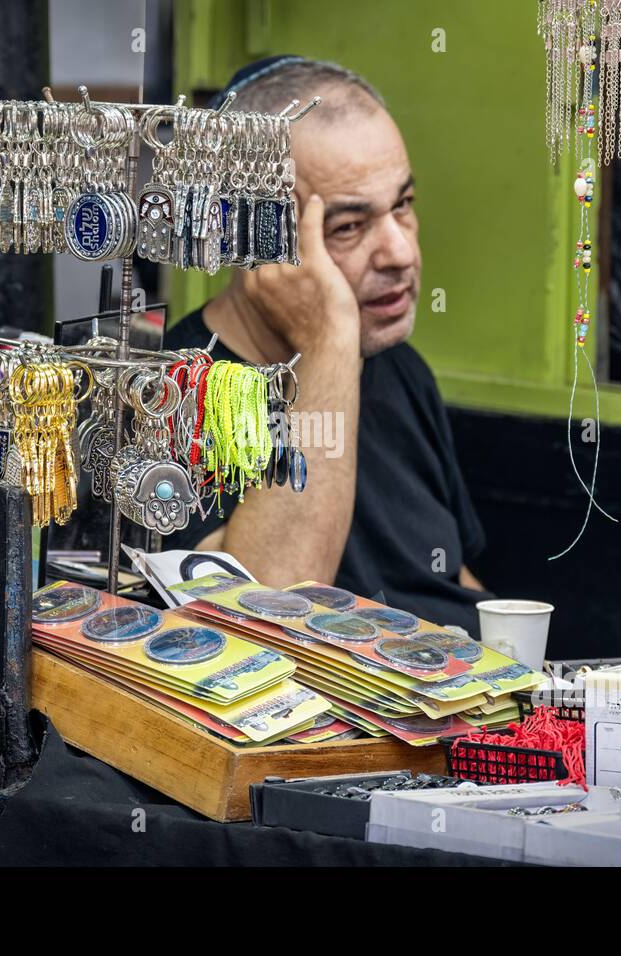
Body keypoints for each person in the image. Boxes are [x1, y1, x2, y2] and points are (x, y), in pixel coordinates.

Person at [167, 56, 489, 635]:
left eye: (403, 206)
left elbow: (447, 582)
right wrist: (328, 341)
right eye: (348, 227)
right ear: (252, 239)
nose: (399, 253)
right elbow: (261, 623)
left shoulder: (400, 369)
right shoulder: (178, 391)